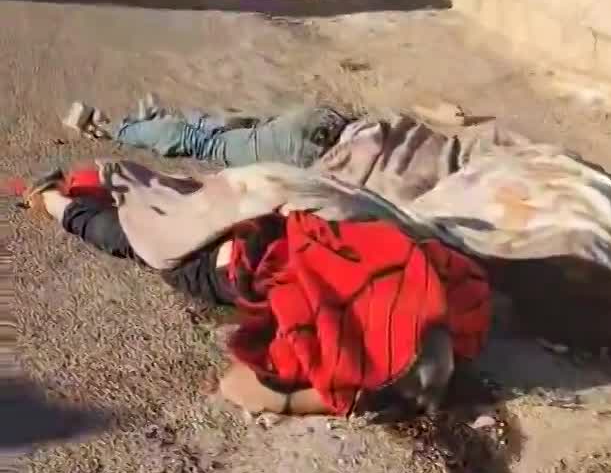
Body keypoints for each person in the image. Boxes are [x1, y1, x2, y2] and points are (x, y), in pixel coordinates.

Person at [25, 166, 492, 419]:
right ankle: (55, 201)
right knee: (141, 240)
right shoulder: (364, 349)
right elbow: (243, 386)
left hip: (284, 206)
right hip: (239, 252)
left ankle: (81, 190)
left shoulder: (447, 278)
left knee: (174, 201)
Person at [63, 97, 351, 170]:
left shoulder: (305, 139)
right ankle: (124, 125)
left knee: (197, 135)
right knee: (202, 133)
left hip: (230, 141)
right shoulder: (310, 154)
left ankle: (118, 127)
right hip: (267, 139)